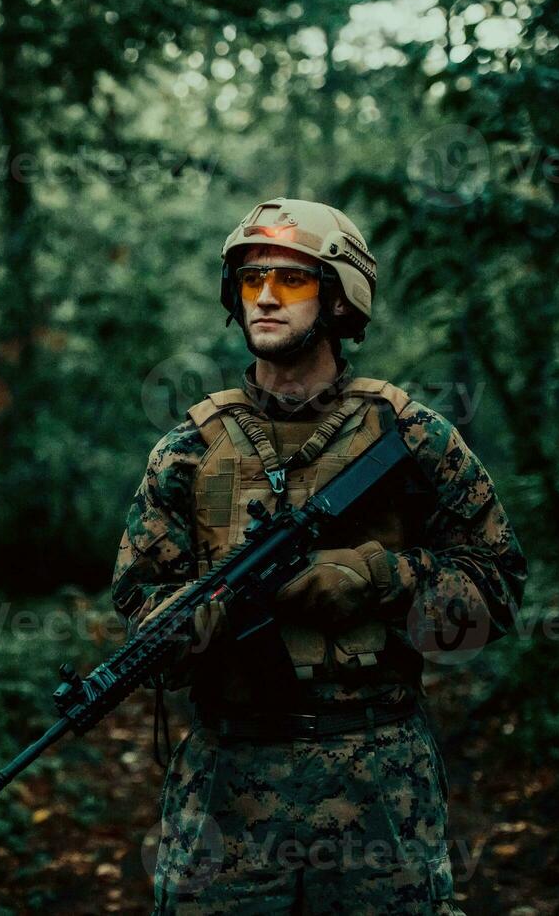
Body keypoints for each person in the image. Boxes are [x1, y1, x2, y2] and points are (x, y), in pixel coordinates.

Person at [110, 197, 527, 914]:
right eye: (251, 281)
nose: (265, 296)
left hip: (380, 790)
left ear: (339, 296)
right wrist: (191, 622)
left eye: (292, 280)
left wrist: (381, 577)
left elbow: (497, 592)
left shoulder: (413, 438)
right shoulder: (188, 450)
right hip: (227, 795)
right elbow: (140, 606)